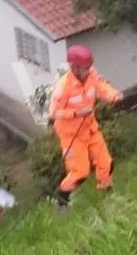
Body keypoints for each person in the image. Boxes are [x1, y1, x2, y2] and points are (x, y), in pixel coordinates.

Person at [48, 45, 123, 211]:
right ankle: (62, 201)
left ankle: (106, 197)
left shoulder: (91, 74)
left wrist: (113, 95)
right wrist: (76, 113)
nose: (89, 71)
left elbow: (102, 86)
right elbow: (53, 112)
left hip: (90, 128)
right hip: (71, 135)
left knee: (106, 164)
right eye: (85, 68)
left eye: (89, 68)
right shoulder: (63, 87)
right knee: (80, 173)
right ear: (74, 67)